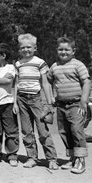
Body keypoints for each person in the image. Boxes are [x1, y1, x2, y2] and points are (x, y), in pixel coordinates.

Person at [14, 33, 59, 170]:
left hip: (36, 98)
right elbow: (16, 84)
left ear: (35, 48)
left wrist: (49, 101)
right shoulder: (18, 64)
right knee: (27, 131)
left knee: (42, 130)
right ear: (19, 49)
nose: (26, 50)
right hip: (21, 99)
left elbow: (45, 83)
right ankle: (32, 157)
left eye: (29, 47)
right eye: (23, 47)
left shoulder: (40, 62)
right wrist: (15, 102)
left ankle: (51, 159)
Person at [47, 37, 91, 174]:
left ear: (73, 51)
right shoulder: (54, 66)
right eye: (61, 49)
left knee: (77, 130)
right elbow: (48, 81)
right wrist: (51, 97)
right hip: (61, 105)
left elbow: (87, 82)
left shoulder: (78, 65)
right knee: (64, 132)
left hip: (76, 104)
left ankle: (80, 160)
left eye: (67, 49)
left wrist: (84, 100)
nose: (63, 52)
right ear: (57, 50)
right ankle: (72, 158)